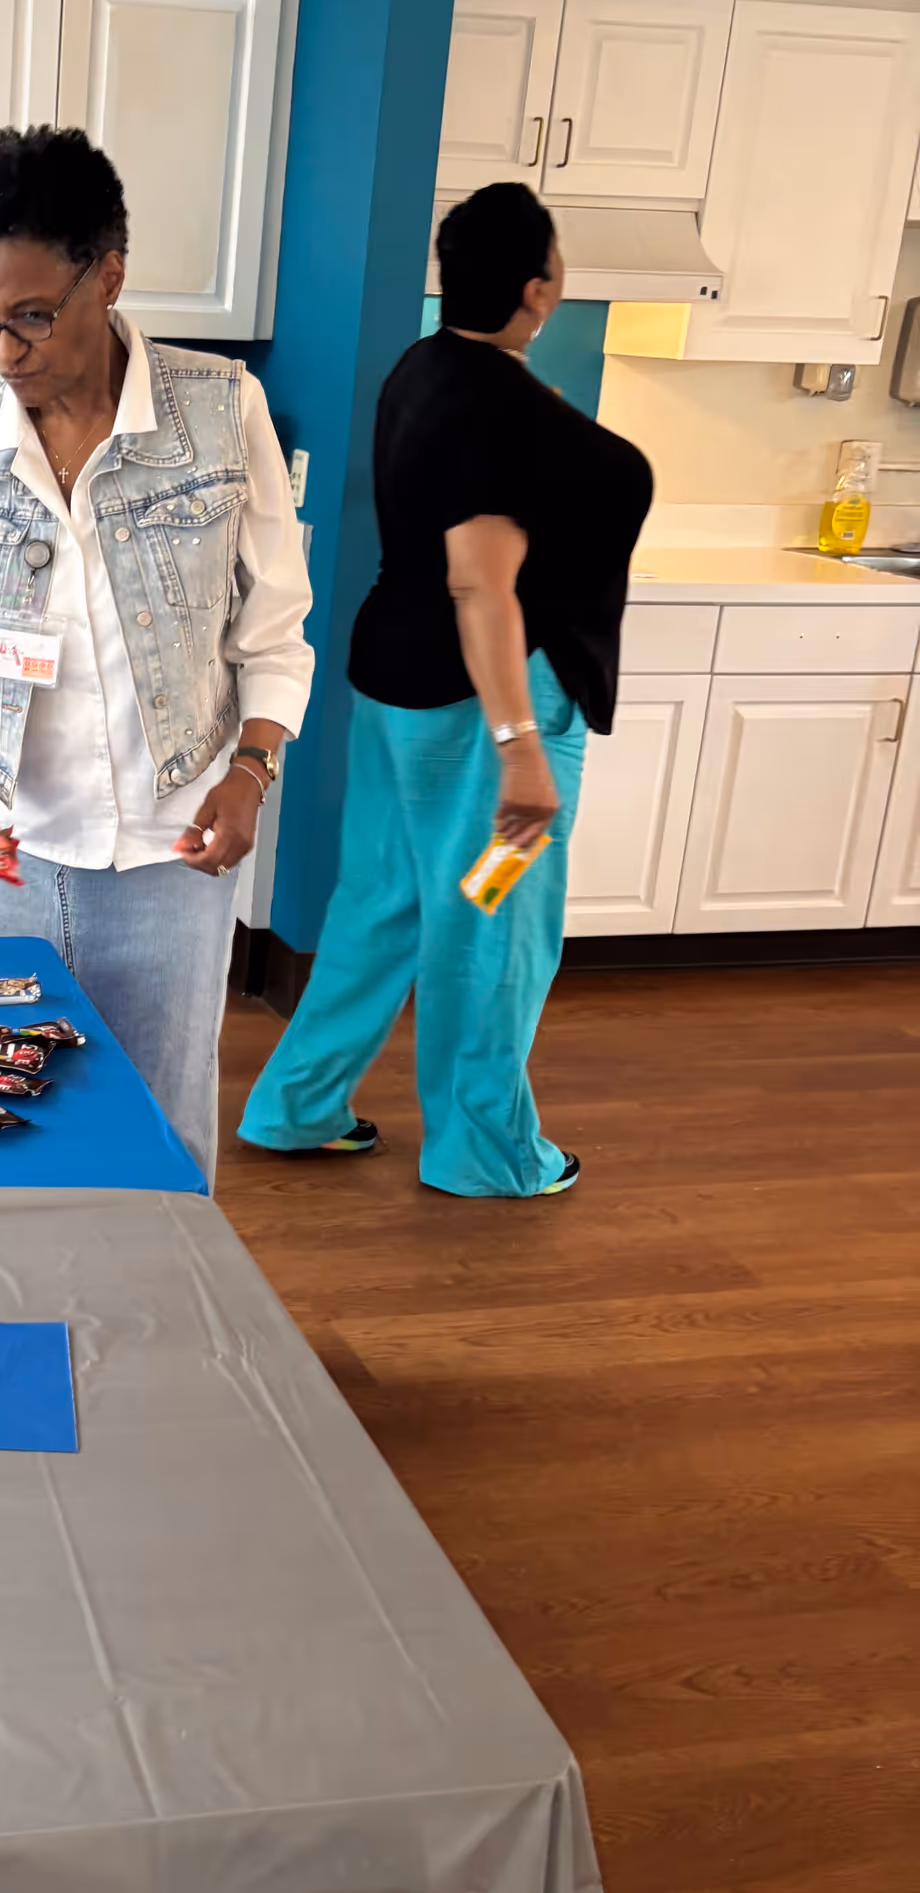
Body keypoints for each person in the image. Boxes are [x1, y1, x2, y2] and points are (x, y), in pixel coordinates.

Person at [0, 125, 313, 1184]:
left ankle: (164, 1342)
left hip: (174, 856)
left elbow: (271, 632)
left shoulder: (220, 414)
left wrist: (253, 773)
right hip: (8, 855)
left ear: (109, 276)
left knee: (160, 1135)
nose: (3, 349)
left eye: (31, 316)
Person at [238, 181, 652, 1196]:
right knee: (491, 914)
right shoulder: (488, 402)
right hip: (488, 714)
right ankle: (489, 1150)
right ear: (537, 287)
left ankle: (296, 1106)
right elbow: (481, 580)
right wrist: (520, 751)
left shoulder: (431, 367)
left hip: (399, 694)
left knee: (384, 901)